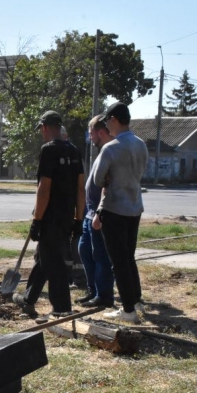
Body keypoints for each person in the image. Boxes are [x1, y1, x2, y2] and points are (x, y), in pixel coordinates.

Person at [13, 111, 85, 318]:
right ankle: (29, 298)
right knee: (44, 257)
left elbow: (44, 188)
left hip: (50, 218)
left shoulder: (48, 150)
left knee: (55, 263)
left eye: (41, 130)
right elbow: (81, 189)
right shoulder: (74, 151)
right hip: (66, 218)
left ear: (44, 127)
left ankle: (62, 308)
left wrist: (37, 220)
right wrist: (78, 219)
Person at [92, 102, 148, 322]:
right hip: (134, 207)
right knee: (128, 257)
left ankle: (127, 310)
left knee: (118, 261)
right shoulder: (141, 144)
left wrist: (110, 177)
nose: (108, 126)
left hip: (115, 208)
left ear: (114, 120)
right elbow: (141, 173)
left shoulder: (111, 148)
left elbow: (97, 179)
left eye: (108, 122)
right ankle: (134, 300)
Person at [77, 115, 116, 308]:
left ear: (100, 132)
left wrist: (99, 213)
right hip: (89, 212)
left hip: (98, 214)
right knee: (84, 250)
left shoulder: (110, 151)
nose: (89, 137)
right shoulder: (101, 152)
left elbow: (107, 185)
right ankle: (93, 291)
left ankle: (104, 296)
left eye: (91, 133)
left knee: (100, 255)